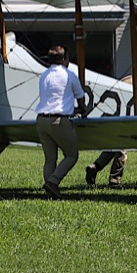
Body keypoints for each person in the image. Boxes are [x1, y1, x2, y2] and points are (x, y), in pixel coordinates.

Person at [85, 65, 137, 187]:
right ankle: (115, 179)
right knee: (122, 149)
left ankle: (94, 167)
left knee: (113, 146)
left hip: (111, 116)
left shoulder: (126, 79)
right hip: (124, 119)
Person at [35, 45, 87, 199]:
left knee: (50, 159)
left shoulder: (44, 75)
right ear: (64, 59)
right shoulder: (69, 75)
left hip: (41, 121)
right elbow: (80, 97)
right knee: (72, 155)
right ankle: (53, 182)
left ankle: (49, 190)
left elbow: (52, 99)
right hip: (58, 121)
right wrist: (82, 109)